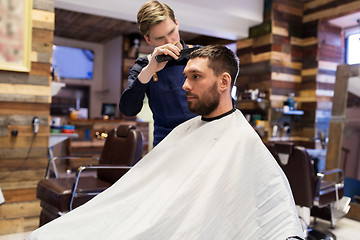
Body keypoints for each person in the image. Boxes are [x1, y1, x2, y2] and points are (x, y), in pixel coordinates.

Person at [27, 45, 304, 240]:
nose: (184, 85)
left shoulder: (242, 140)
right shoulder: (187, 129)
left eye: (195, 77)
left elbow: (269, 208)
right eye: (185, 77)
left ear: (223, 82)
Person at [119, 0, 198, 146]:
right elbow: (128, 110)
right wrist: (149, 71)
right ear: (148, 39)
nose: (169, 41)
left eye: (171, 32)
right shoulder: (143, 66)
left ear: (177, 23)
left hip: (203, 140)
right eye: (160, 38)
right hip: (166, 146)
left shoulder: (202, 55)